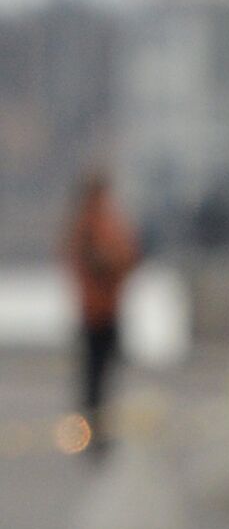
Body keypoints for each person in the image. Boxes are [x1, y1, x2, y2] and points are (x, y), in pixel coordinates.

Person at [62, 171, 139, 458]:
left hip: (108, 308)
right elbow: (96, 262)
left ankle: (100, 433)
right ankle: (90, 436)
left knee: (104, 376)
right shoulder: (89, 224)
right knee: (94, 378)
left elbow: (127, 254)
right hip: (95, 311)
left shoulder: (103, 221)